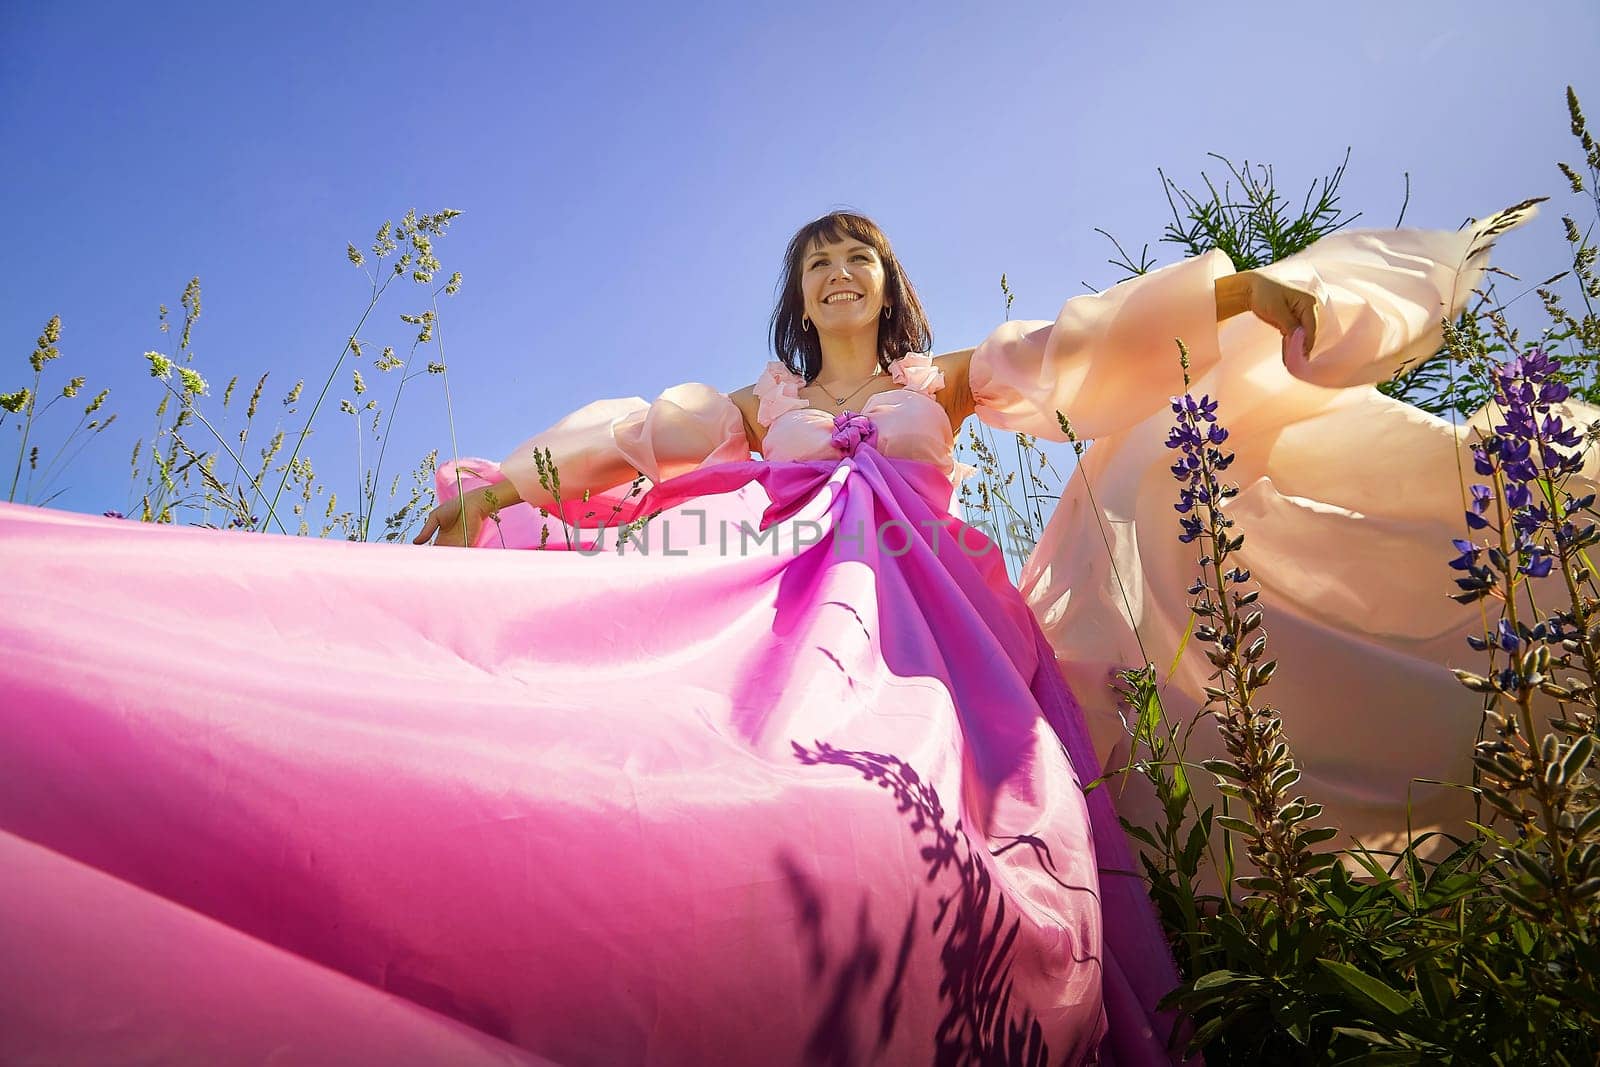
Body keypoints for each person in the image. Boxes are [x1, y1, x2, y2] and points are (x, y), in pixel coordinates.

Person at [0, 207, 1512, 1067]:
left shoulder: (950, 376)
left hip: (923, 618)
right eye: (815, 265)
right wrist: (507, 492)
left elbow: (1087, 345)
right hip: (760, 579)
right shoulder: (761, 405)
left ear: (887, 284)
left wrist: (1247, 292)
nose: (837, 278)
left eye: (857, 258)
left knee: (906, 796)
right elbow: (626, 446)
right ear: (797, 300)